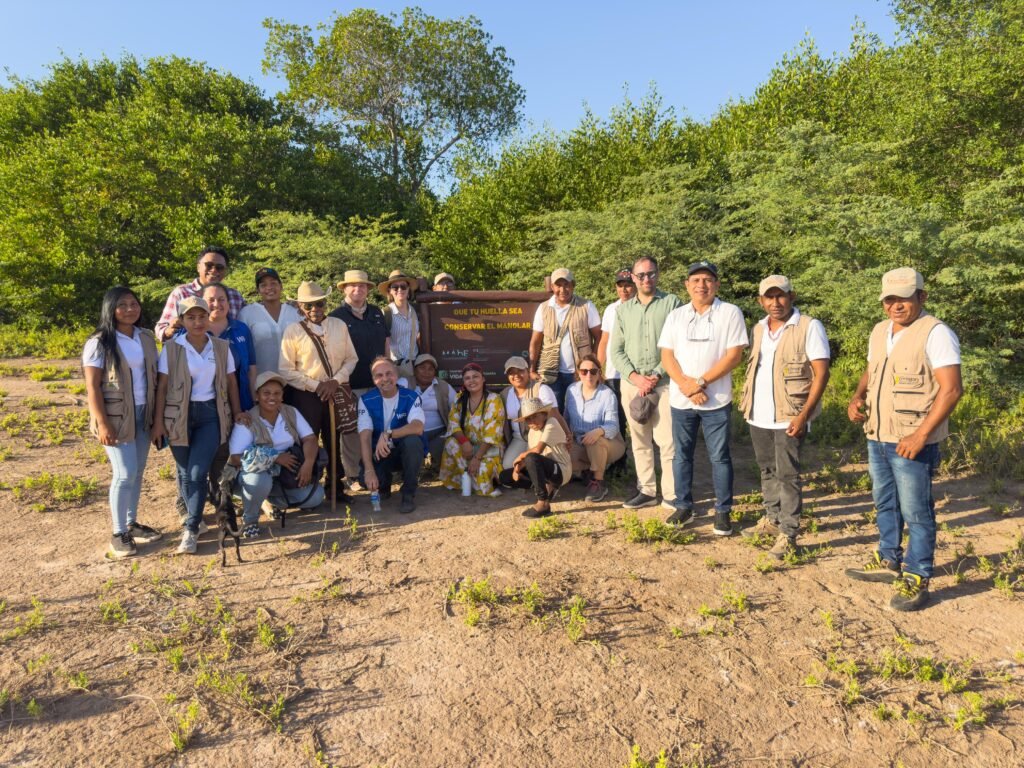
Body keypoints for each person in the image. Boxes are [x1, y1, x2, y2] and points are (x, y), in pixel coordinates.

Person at [845, 267, 962, 611]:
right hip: (878, 433)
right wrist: (856, 396)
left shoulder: (936, 332)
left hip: (912, 439)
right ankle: (888, 559)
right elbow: (872, 368)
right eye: (890, 299)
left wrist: (921, 435)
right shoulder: (880, 330)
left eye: (904, 298)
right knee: (885, 502)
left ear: (921, 297)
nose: (896, 305)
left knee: (916, 510)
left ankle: (917, 574)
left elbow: (952, 389)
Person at [739, 275, 831, 559]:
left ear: (792, 297)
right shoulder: (757, 329)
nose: (775, 302)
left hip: (789, 416)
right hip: (759, 414)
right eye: (769, 297)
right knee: (767, 469)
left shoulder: (808, 327)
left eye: (781, 296)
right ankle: (771, 518)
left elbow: (821, 373)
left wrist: (804, 415)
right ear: (761, 301)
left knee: (788, 474)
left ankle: (789, 533)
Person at [658, 260, 748, 535]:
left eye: (707, 280)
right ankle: (683, 506)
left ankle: (723, 512)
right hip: (681, 399)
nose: (701, 285)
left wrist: (700, 383)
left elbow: (734, 356)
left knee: (719, 456)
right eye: (695, 280)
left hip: (716, 399)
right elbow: (667, 356)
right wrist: (686, 386)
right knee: (681, 456)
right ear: (687, 285)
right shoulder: (676, 316)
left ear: (717, 284)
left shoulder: (730, 313)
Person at [151, 297, 243, 555]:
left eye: (202, 316)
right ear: (181, 321)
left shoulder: (221, 347)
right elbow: (162, 388)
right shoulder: (172, 348)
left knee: (195, 472)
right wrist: (158, 422)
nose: (198, 322)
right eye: (191, 318)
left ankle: (190, 529)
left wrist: (236, 413)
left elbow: (232, 383)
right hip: (178, 416)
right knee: (183, 472)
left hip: (211, 414)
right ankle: (195, 521)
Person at [82, 287, 162, 559]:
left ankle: (131, 522)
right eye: (122, 305)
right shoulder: (100, 342)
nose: (130, 309)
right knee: (124, 473)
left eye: (134, 303)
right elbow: (92, 387)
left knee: (138, 471)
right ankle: (118, 533)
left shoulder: (145, 337)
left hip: (143, 413)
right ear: (110, 309)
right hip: (116, 416)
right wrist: (101, 422)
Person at [611, 256, 683, 510]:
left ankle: (672, 494)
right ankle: (647, 490)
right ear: (633, 277)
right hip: (633, 383)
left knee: (667, 440)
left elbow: (678, 343)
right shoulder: (623, 310)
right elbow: (616, 351)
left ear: (658, 274)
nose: (646, 279)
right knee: (639, 440)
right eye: (640, 275)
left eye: (651, 274)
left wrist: (655, 375)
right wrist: (635, 377)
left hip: (663, 383)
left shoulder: (672, 303)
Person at [279, 281, 358, 504]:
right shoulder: (293, 331)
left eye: (319, 304)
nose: (315, 309)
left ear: (326, 303)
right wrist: (317, 386)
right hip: (306, 395)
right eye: (308, 306)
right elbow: (285, 370)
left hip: (336, 389)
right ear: (300, 308)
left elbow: (352, 358)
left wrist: (335, 381)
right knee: (309, 439)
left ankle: (336, 487)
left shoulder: (339, 325)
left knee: (335, 439)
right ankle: (310, 488)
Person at [227, 372, 325, 538]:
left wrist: (308, 464)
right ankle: (250, 520)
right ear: (257, 396)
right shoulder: (247, 420)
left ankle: (266, 501)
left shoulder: (290, 412)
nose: (272, 397)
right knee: (260, 480)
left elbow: (309, 438)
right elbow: (235, 458)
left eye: (277, 393)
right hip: (250, 475)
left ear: (282, 396)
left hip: (283, 475)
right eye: (266, 393)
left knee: (316, 497)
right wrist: (274, 457)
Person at [329, 269, 390, 481]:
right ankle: (353, 475)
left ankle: (375, 470)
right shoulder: (335, 317)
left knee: (376, 426)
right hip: (350, 383)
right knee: (351, 430)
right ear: (344, 288)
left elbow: (385, 343)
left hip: (378, 382)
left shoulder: (376, 313)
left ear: (368, 289)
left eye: (362, 285)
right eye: (353, 285)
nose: (358, 289)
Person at [358, 357, 426, 514]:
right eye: (379, 375)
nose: (385, 379)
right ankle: (384, 484)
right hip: (381, 452)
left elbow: (418, 426)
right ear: (374, 379)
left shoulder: (411, 396)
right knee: (365, 478)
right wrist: (369, 470)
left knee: (413, 441)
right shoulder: (366, 400)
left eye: (389, 373)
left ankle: (408, 493)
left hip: (403, 452)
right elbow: (365, 437)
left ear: (397, 375)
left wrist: (389, 434)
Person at [529, 268, 602, 411]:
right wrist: (532, 370)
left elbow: (599, 337)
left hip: (579, 372)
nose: (562, 289)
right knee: (553, 413)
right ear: (552, 287)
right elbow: (535, 342)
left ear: (573, 285)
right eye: (558, 285)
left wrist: (594, 364)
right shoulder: (543, 309)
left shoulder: (586, 306)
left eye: (566, 284)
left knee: (580, 411)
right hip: (551, 373)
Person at [564, 354, 626, 502]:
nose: (588, 375)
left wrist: (598, 431)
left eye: (593, 371)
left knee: (594, 441)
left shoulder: (607, 394)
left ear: (599, 373)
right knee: (562, 459)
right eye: (584, 371)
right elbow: (566, 417)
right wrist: (566, 436)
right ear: (578, 373)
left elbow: (613, 426)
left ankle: (598, 481)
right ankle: (587, 470)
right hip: (580, 442)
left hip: (609, 443)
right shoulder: (571, 390)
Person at [498, 397, 572, 518]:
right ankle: (543, 485)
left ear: (544, 414)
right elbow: (531, 456)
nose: (532, 422)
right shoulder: (532, 432)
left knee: (531, 457)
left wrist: (521, 456)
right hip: (542, 467)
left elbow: (537, 450)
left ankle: (543, 502)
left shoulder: (552, 422)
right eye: (528, 419)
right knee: (504, 477)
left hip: (561, 470)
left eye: (535, 416)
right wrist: (518, 467)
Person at [439, 363, 505, 497]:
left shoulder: (493, 400)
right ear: (464, 381)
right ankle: (465, 477)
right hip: (468, 447)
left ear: (483, 379)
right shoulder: (459, 398)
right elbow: (453, 424)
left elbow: (492, 435)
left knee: (482, 489)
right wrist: (464, 442)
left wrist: (477, 458)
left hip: (487, 448)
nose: (472, 380)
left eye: (475, 376)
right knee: (451, 443)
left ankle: (475, 478)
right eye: (467, 378)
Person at [155, 246, 244, 341]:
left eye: (219, 267)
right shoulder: (181, 293)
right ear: (198, 267)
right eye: (209, 265)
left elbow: (245, 326)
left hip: (229, 352)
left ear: (225, 270)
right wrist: (169, 330)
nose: (214, 270)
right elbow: (161, 327)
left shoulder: (235, 296)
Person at [596, 267, 636, 473]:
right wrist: (598, 368)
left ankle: (640, 461)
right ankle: (620, 461)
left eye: (628, 285)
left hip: (636, 374)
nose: (625, 289)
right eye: (621, 285)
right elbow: (604, 340)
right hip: (613, 373)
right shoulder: (611, 309)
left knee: (638, 418)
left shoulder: (641, 307)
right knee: (617, 419)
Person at [499, 355, 566, 470]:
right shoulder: (504, 394)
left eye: (520, 371)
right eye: (511, 372)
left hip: (540, 436)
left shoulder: (541, 389)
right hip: (519, 438)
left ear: (527, 371)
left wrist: (567, 435)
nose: (516, 376)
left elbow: (554, 416)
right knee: (508, 466)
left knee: (540, 464)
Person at [199, 283, 257, 411]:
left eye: (221, 299)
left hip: (241, 401)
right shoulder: (194, 331)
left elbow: (251, 369)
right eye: (211, 300)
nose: (216, 304)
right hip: (206, 405)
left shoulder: (242, 329)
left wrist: (255, 402)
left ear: (228, 303)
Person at [398, 353, 457, 471]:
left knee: (450, 441)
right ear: (415, 370)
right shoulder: (404, 383)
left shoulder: (443, 386)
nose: (427, 372)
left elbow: (457, 407)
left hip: (438, 432)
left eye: (431, 369)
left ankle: (432, 466)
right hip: (411, 432)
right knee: (410, 445)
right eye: (422, 368)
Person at [239, 267, 302, 374]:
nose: (269, 288)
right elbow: (243, 350)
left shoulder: (295, 312)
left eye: (273, 283)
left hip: (295, 379)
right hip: (262, 382)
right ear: (258, 290)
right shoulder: (247, 313)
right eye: (263, 285)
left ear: (281, 286)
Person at [379, 269, 420, 378]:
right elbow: (382, 343)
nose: (399, 290)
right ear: (390, 291)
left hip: (415, 367)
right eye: (395, 287)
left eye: (403, 286)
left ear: (408, 289)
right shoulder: (386, 313)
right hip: (395, 368)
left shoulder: (416, 311)